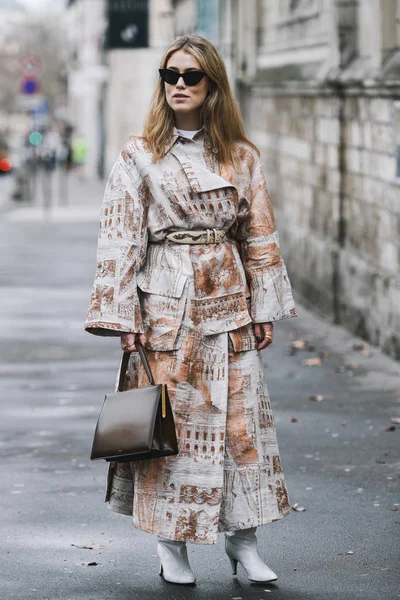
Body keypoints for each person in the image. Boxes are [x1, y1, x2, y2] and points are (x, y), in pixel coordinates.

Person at [85, 35, 297, 586]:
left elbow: (259, 232)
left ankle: (244, 543)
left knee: (239, 428)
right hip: (165, 306)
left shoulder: (241, 156)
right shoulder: (140, 154)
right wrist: (123, 317)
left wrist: (263, 305)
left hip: (228, 302)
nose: (179, 84)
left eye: (191, 76)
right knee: (171, 431)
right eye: (169, 75)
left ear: (213, 86)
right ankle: (170, 544)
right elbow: (120, 239)